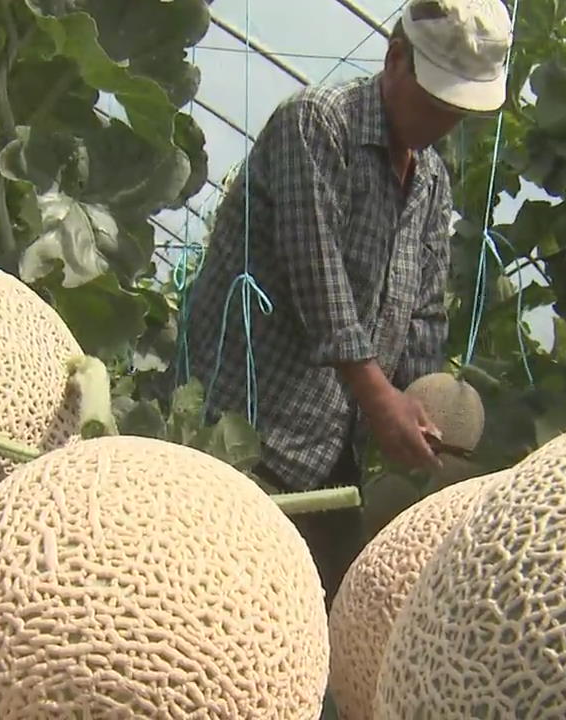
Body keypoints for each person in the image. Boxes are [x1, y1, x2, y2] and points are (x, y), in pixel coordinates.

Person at [175, 0, 514, 600]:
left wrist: (429, 413)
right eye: (435, 102)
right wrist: (384, 402)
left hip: (332, 455)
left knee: (316, 625)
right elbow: (318, 279)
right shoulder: (315, 124)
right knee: (216, 610)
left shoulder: (432, 182)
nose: (442, 124)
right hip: (245, 434)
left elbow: (424, 313)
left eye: (456, 112)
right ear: (394, 58)